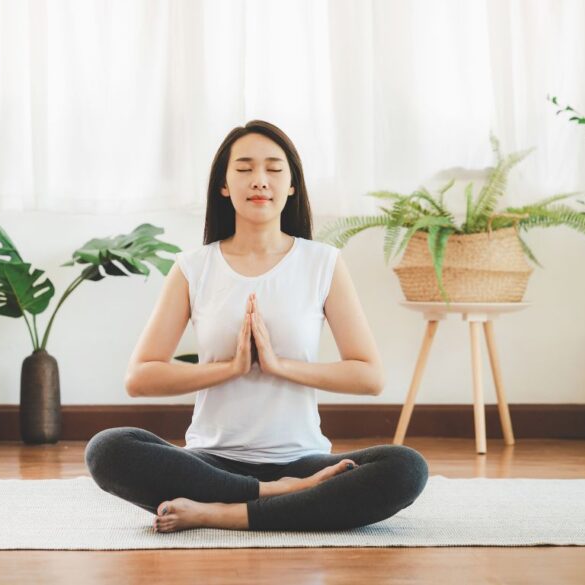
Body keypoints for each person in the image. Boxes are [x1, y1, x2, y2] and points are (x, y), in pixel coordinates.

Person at [86, 120, 428, 533]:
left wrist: (278, 365)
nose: (259, 181)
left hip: (302, 460)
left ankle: (221, 513)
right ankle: (276, 497)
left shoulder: (322, 263)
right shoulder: (193, 268)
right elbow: (140, 378)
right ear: (224, 185)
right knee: (107, 449)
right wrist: (229, 368)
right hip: (211, 462)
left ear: (291, 186)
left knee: (405, 468)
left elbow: (369, 376)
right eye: (244, 169)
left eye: (274, 169)